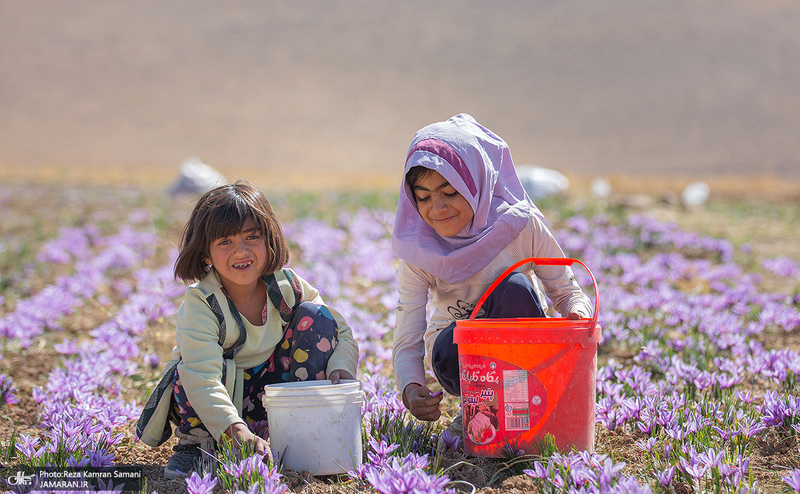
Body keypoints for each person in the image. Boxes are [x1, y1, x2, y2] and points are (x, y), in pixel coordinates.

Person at [391, 113, 592, 430]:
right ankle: (481, 407)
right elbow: (408, 333)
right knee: (461, 335)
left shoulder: (519, 225)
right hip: (456, 355)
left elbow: (566, 291)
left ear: (477, 183)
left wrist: (578, 315)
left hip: (524, 353)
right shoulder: (419, 248)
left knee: (513, 286)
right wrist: (411, 388)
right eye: (424, 197)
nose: (438, 209)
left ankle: (519, 407)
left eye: (450, 191)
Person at [164, 181, 359, 479]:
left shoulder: (285, 286)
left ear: (269, 240)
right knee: (185, 373)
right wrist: (235, 430)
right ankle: (198, 445)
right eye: (225, 242)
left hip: (275, 397)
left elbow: (340, 329)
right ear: (206, 255)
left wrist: (340, 366)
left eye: (252, 237)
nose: (241, 251)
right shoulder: (202, 303)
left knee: (315, 316)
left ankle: (305, 430)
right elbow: (202, 378)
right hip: (219, 400)